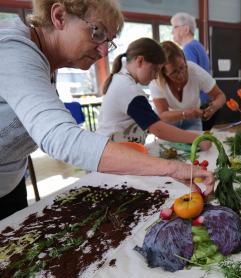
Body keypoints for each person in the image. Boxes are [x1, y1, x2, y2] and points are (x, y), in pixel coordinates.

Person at [0, 0, 214, 220]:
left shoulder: (47, 60)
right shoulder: (14, 50)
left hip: (11, 182)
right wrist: (174, 168)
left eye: (108, 41)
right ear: (59, 17)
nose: (103, 51)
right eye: (97, 32)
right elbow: (60, 138)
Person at [96, 37, 212, 151]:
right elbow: (158, 129)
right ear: (140, 61)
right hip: (113, 153)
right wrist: (198, 138)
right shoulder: (129, 90)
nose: (156, 76)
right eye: (155, 70)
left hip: (115, 150)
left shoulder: (120, 79)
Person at [149, 41, 226, 131]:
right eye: (174, 73)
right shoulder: (156, 80)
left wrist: (214, 107)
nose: (181, 75)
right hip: (169, 121)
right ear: (163, 73)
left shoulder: (195, 71)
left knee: (196, 144)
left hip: (193, 120)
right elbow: (163, 115)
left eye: (182, 67)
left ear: (184, 60)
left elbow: (220, 96)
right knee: (168, 145)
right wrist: (187, 113)